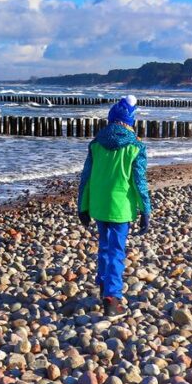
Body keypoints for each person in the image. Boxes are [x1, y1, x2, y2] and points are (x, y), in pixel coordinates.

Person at [77, 95, 151, 316]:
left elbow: (86, 178)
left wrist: (83, 206)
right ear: (130, 121)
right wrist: (145, 209)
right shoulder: (135, 147)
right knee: (116, 251)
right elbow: (139, 182)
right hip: (120, 208)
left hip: (99, 205)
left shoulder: (96, 144)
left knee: (104, 246)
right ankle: (112, 297)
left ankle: (103, 283)